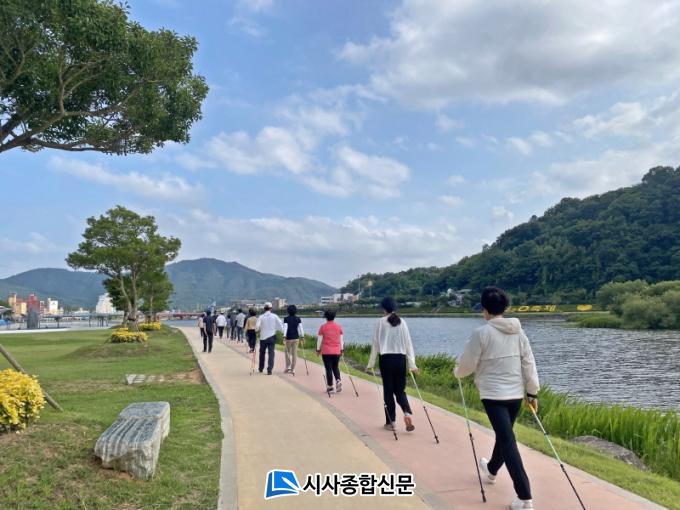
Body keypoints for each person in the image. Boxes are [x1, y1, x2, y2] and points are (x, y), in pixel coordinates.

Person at [454, 287, 540, 510]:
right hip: (515, 395)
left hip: (493, 395)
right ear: (505, 308)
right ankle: (492, 469)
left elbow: (466, 365)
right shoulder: (519, 332)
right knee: (505, 436)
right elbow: (529, 363)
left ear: (484, 309)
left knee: (507, 440)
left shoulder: (481, 333)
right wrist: (532, 392)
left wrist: (457, 373)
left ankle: (525, 498)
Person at [367, 296, 418, 432]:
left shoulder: (380, 322)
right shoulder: (403, 322)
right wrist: (413, 365)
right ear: (395, 307)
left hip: (386, 360)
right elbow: (408, 344)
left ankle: (391, 423)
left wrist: (371, 363)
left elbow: (375, 344)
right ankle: (407, 413)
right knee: (400, 391)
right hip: (400, 360)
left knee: (388, 391)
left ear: (384, 309)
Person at [317, 309, 343, 393]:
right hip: (336, 351)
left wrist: (318, 349)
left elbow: (319, 340)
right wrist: (342, 349)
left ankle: (330, 387)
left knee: (328, 368)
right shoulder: (338, 326)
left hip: (326, 351)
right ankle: (338, 380)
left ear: (326, 317)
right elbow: (341, 339)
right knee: (335, 367)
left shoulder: (323, 327)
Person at [256, 302, 283, 374]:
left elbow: (257, 327)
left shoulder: (261, 317)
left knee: (262, 353)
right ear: (271, 308)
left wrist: (257, 330)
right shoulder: (274, 316)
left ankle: (261, 368)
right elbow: (280, 325)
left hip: (263, 337)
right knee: (271, 353)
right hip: (272, 336)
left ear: (264, 308)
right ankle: (269, 369)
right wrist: (281, 331)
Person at [283, 305, 305, 374]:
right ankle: (293, 369)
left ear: (288, 311)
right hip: (296, 338)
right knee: (294, 353)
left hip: (288, 338)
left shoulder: (286, 319)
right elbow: (301, 328)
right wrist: (302, 336)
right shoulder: (298, 319)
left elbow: (285, 328)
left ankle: (288, 367)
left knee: (287, 352)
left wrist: (284, 336)